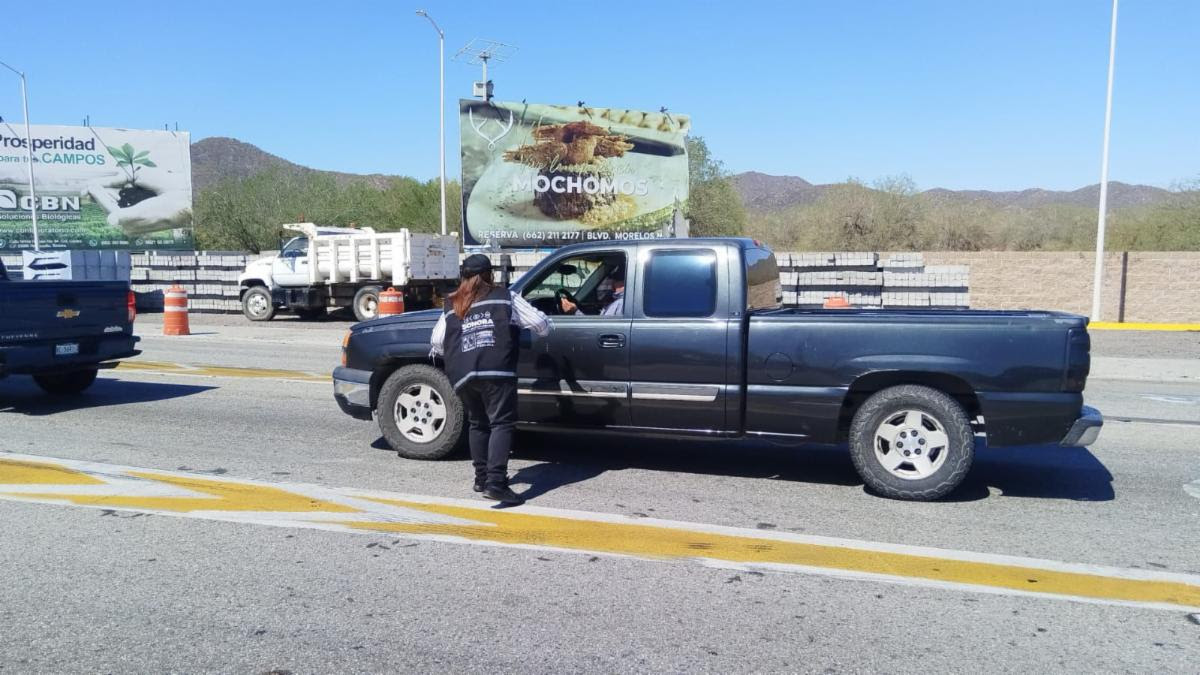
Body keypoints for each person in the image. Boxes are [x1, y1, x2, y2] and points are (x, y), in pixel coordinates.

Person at [430, 254, 552, 504]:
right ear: (490, 274)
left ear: (463, 277)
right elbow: (540, 323)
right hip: (496, 371)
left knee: (478, 423)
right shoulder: (505, 296)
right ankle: (496, 483)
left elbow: (437, 342)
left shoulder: (451, 303)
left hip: (463, 375)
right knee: (501, 424)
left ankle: (481, 478)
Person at [559, 266, 625, 316]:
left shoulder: (620, 303)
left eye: (616, 281)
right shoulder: (617, 300)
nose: (612, 284)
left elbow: (601, 327)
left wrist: (575, 311)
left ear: (625, 283)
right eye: (614, 280)